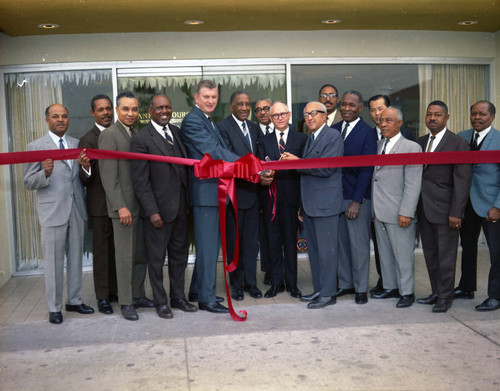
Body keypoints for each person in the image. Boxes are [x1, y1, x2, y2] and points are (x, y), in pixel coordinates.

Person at [24, 103, 94, 324]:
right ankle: (54, 308)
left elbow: (82, 178)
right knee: (54, 263)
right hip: (52, 212)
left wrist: (85, 167)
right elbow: (28, 182)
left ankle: (74, 300)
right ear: (47, 120)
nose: (61, 120)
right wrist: (44, 173)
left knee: (75, 260)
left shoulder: (76, 145)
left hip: (76, 211)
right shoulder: (36, 147)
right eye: (56, 116)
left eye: (64, 116)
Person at [130, 94, 197, 319]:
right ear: (150, 112)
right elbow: (140, 180)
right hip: (158, 213)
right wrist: (152, 211)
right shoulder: (141, 139)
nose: (164, 111)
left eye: (168, 107)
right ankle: (161, 302)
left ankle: (178, 297)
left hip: (180, 210)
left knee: (179, 256)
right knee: (156, 260)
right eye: (159, 108)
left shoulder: (176, 133)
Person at [179, 80, 240, 314]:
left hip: (213, 192)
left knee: (209, 246)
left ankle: (196, 289)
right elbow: (213, 152)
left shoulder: (206, 119)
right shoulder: (193, 120)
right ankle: (206, 299)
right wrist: (244, 163)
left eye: (214, 97)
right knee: (207, 247)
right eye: (206, 97)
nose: (211, 101)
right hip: (205, 193)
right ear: (196, 98)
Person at [282, 101, 344, 308]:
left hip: (326, 205)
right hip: (310, 204)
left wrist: (297, 162)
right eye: (306, 114)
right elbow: (307, 176)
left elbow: (326, 169)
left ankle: (328, 294)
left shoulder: (332, 136)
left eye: (314, 113)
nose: (309, 117)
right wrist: (301, 205)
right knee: (315, 252)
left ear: (325, 116)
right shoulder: (311, 138)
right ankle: (320, 289)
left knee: (327, 252)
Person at [98, 92, 153, 321]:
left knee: (140, 255)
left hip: (139, 206)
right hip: (124, 209)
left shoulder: (135, 134)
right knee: (124, 258)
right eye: (125, 109)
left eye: (134, 109)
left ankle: (138, 294)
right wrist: (120, 206)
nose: (130, 113)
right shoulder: (110, 135)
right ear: (117, 110)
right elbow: (108, 177)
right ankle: (126, 302)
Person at [416, 100, 472, 313]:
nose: (432, 118)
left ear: (446, 118)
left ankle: (446, 297)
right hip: (424, 208)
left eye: (437, 115)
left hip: (447, 210)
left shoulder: (458, 143)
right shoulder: (419, 143)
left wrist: (457, 212)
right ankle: (436, 291)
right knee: (430, 254)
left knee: (446, 256)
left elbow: (462, 181)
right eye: (429, 114)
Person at [371, 107, 422, 308]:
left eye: (389, 120)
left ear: (399, 123)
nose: (383, 124)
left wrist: (407, 211)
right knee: (384, 253)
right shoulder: (379, 145)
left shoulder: (411, 148)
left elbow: (413, 183)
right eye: (381, 120)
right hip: (380, 210)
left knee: (403, 254)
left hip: (400, 211)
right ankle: (391, 287)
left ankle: (407, 292)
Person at [333, 91, 377, 304]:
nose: (347, 108)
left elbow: (367, 170)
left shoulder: (368, 133)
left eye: (352, 105)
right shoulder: (333, 130)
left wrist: (356, 201)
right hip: (335, 198)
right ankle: (346, 283)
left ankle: (361, 288)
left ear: (361, 108)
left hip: (356, 199)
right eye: (344, 104)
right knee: (341, 244)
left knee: (359, 246)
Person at [258, 101, 307, 298]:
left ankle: (293, 284)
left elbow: (308, 168)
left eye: (282, 114)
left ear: (288, 115)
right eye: (275, 115)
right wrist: (263, 176)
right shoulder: (263, 140)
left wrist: (296, 162)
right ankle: (277, 283)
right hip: (270, 199)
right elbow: (259, 166)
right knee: (273, 242)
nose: (279, 118)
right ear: (270, 118)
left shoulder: (301, 138)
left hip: (292, 200)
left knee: (290, 242)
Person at [218, 91, 262, 301]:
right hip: (233, 196)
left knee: (251, 243)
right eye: (240, 104)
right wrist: (254, 172)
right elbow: (228, 159)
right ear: (232, 107)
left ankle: (251, 283)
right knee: (233, 242)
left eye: (248, 104)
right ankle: (236, 284)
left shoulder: (254, 127)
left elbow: (260, 157)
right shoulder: (223, 128)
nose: (245, 108)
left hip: (253, 194)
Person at [456, 101, 500, 311]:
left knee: (497, 252)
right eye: (474, 114)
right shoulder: (462, 137)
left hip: (491, 204)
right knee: (468, 247)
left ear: (492, 117)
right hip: (466, 204)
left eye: (482, 114)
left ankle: (496, 296)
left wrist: (498, 205)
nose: (477, 118)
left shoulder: (499, 139)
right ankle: (466, 288)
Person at [78, 94, 118, 315]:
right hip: (100, 207)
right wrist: (85, 167)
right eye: (101, 110)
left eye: (108, 109)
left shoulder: (119, 134)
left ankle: (114, 292)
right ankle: (103, 297)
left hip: (120, 204)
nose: (106, 113)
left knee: (116, 251)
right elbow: (85, 179)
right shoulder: (88, 139)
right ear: (93, 113)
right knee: (102, 253)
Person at [253, 98, 274, 285]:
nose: (262, 112)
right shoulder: (252, 131)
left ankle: (280, 267)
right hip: (258, 191)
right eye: (258, 109)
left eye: (266, 108)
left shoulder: (283, 129)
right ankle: (268, 270)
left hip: (281, 191)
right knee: (264, 234)